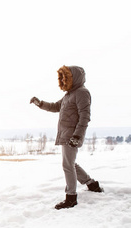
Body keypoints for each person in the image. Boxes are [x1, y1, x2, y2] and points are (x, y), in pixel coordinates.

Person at [30, 65, 103, 210]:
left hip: (72, 135)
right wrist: (40, 104)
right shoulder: (69, 94)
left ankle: (71, 198)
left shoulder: (82, 92)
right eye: (61, 77)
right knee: (71, 163)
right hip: (66, 134)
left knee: (67, 165)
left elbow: (85, 116)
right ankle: (91, 184)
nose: (63, 79)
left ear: (73, 77)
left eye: (65, 76)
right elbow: (56, 106)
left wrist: (77, 135)